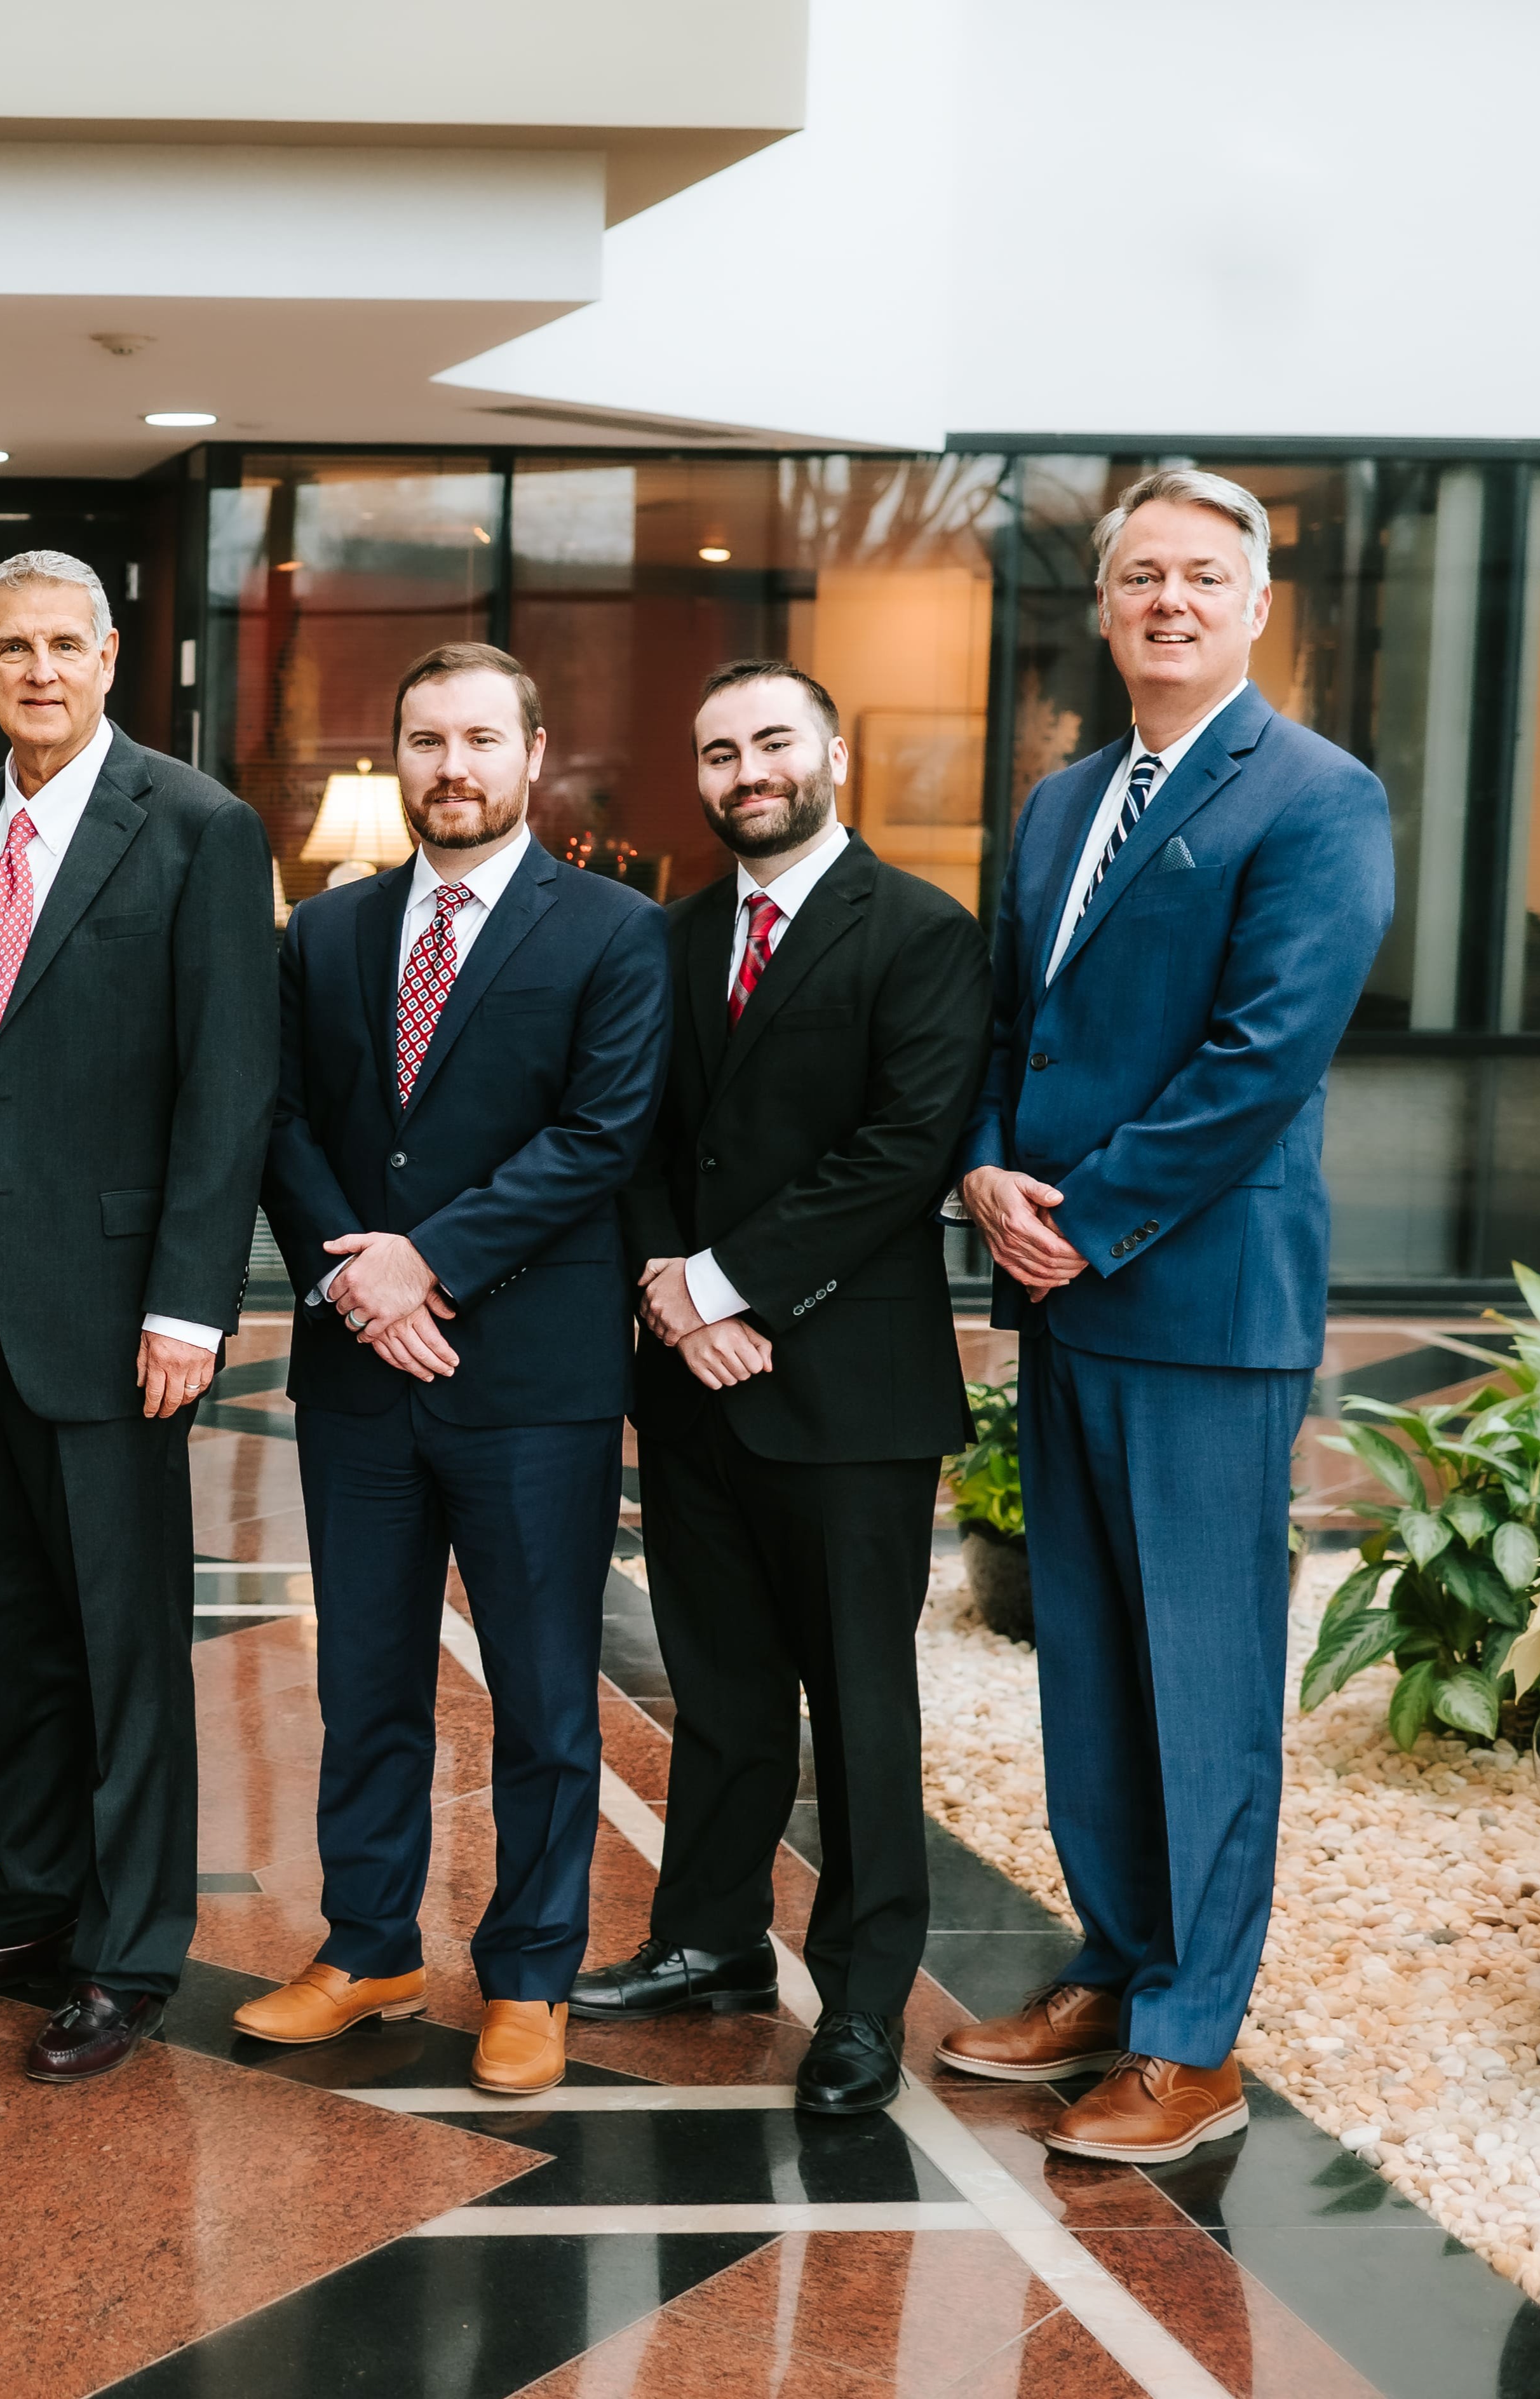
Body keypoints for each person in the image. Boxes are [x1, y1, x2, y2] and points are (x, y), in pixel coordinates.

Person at [942, 471, 1392, 2161]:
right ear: (1105, 605)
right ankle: (1118, 1969)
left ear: (1257, 606)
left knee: (1202, 1685)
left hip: (1198, 1308)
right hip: (1064, 1298)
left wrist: (1086, 1220)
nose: (1170, 601)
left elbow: (1260, 1057)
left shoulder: (1318, 798)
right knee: (1088, 1669)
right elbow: (1012, 1028)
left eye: (1204, 575)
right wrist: (986, 1170)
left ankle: (1192, 2045)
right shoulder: (1062, 803)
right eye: (1141, 575)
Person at [0, 551, 274, 2086]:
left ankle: (129, 1951)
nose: (41, 671)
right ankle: (33, 1894)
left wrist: (190, 1300)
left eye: (65, 645)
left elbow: (229, 1081)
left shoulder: (198, 826)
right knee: (6, 1625)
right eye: (13, 648)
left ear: (111, 657)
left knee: (122, 1639)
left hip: (114, 1308)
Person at [241, 640, 666, 2097]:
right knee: (365, 1682)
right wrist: (354, 1284)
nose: (453, 766)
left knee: (544, 1696)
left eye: (482, 738)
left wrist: (425, 1262)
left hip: (531, 1379)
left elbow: (600, 1136)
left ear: (533, 753)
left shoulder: (614, 931)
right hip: (361, 1375)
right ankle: (368, 1948)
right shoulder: (326, 931)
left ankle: (531, 1976)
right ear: (399, 755)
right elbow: (281, 1122)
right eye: (427, 740)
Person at [578, 659, 992, 2115]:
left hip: (848, 1390)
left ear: (831, 756)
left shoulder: (924, 932)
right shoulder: (672, 935)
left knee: (861, 1705)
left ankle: (864, 2002)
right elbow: (631, 1135)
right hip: (694, 1381)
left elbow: (903, 1150)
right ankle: (709, 1941)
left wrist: (722, 1285)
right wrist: (665, 1291)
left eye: (771, 741)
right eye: (718, 750)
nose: (746, 769)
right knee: (722, 1685)